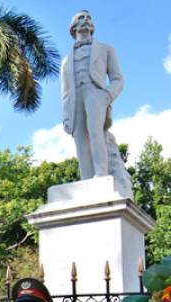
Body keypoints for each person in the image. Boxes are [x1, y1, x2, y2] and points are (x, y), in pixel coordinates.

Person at [61, 10, 123, 180]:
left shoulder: (106, 49)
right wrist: (66, 116)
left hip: (95, 92)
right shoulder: (66, 60)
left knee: (95, 131)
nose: (86, 20)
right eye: (81, 18)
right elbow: (65, 92)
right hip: (75, 98)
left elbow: (117, 79)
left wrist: (107, 96)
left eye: (88, 18)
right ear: (73, 27)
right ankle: (87, 178)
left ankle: (101, 173)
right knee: (80, 138)